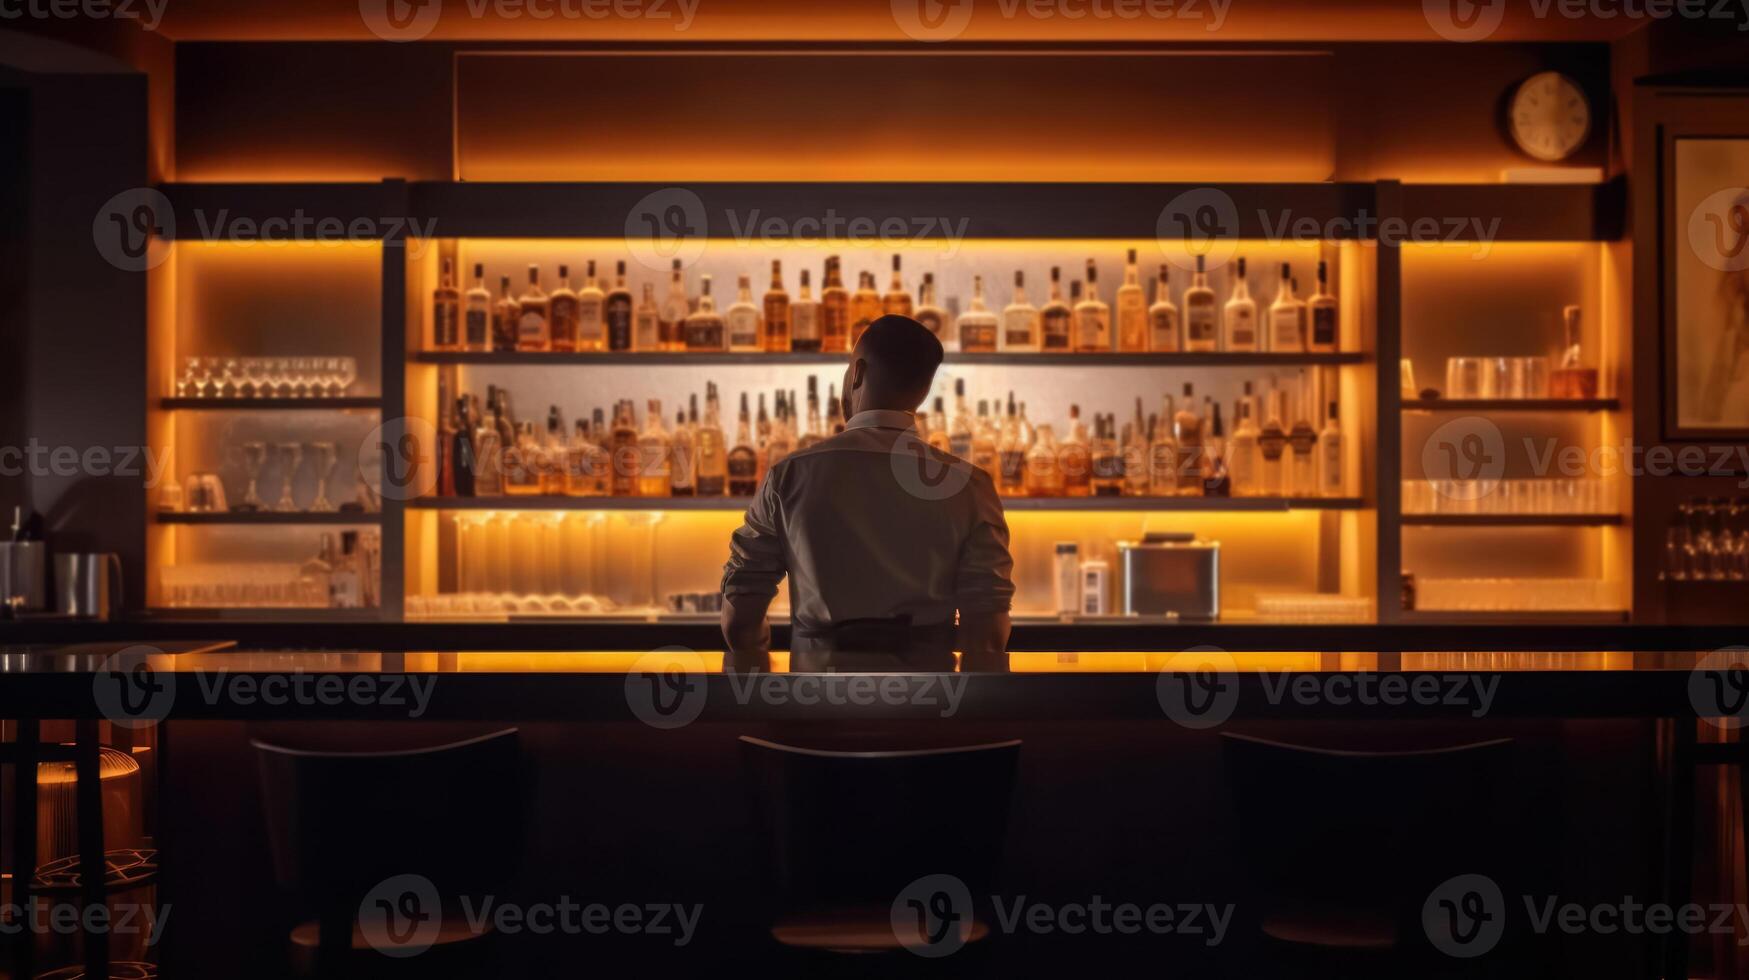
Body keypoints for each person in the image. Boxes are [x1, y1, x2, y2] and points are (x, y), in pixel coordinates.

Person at [720, 314, 1014, 672]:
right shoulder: (970, 485)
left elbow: (741, 618)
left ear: (857, 373)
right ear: (922, 389)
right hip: (928, 709)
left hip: (816, 705)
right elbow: (987, 635)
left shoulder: (790, 475)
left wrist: (768, 687)